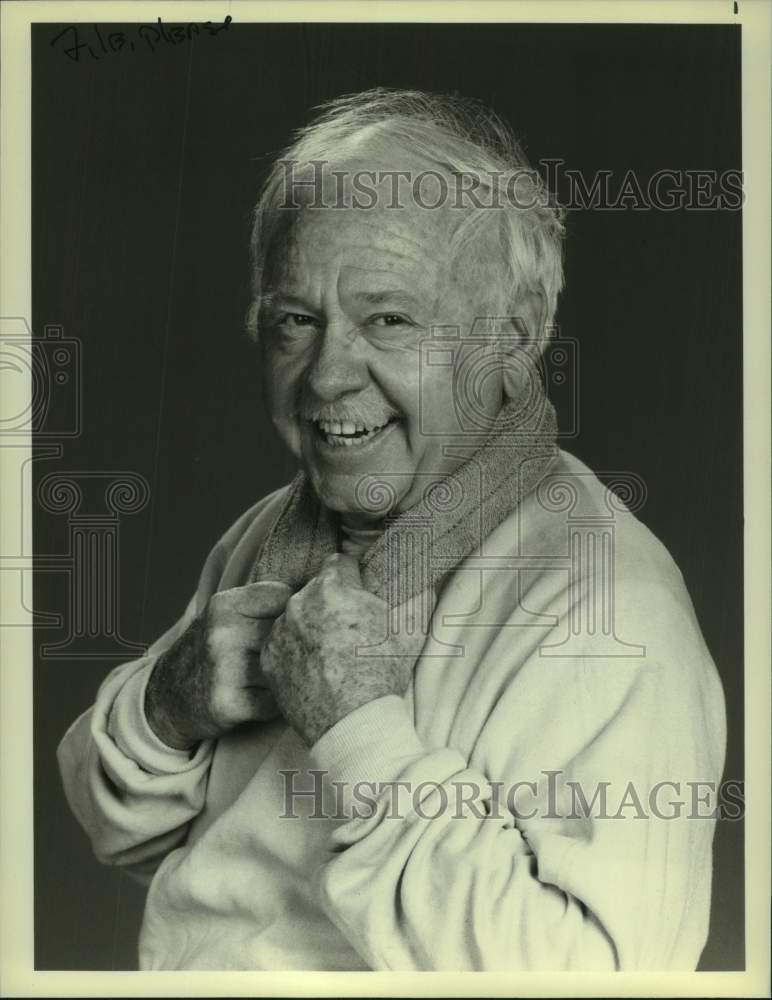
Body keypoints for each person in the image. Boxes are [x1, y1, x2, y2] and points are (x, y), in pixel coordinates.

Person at [57, 89, 726, 971]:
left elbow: (607, 980)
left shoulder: (612, 610)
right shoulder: (271, 534)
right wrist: (166, 707)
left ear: (514, 343)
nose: (328, 376)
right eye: (297, 320)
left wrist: (360, 730)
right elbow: (130, 839)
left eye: (390, 319)